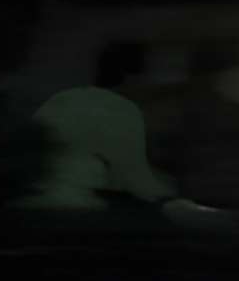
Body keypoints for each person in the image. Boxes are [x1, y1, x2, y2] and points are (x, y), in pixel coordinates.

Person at [13, 38, 217, 219]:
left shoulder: (64, 99)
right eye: (150, 76)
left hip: (36, 201)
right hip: (76, 208)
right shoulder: (118, 109)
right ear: (134, 77)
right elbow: (135, 178)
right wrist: (176, 197)